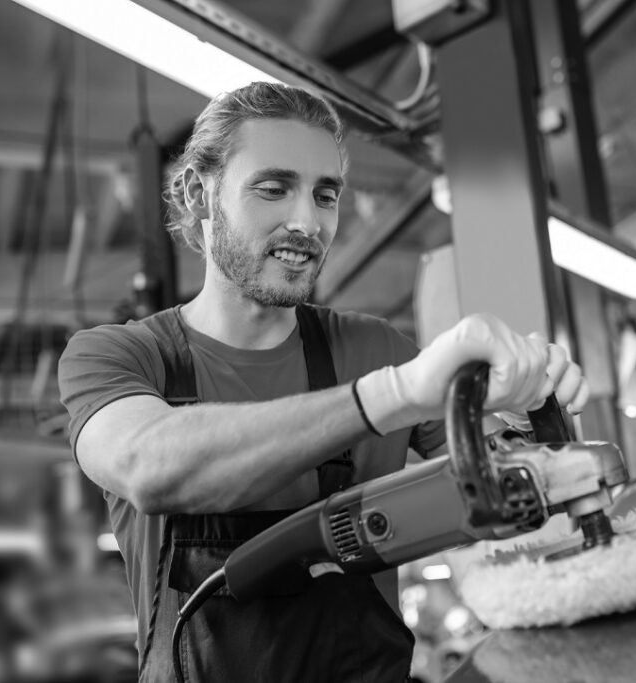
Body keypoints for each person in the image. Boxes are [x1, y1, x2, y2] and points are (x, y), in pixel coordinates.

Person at [57, 82, 589, 683]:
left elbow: (510, 506)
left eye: (326, 195)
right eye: (274, 188)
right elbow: (148, 467)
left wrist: (530, 414)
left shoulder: (371, 348)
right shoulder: (118, 356)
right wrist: (393, 394)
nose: (307, 222)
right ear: (198, 194)